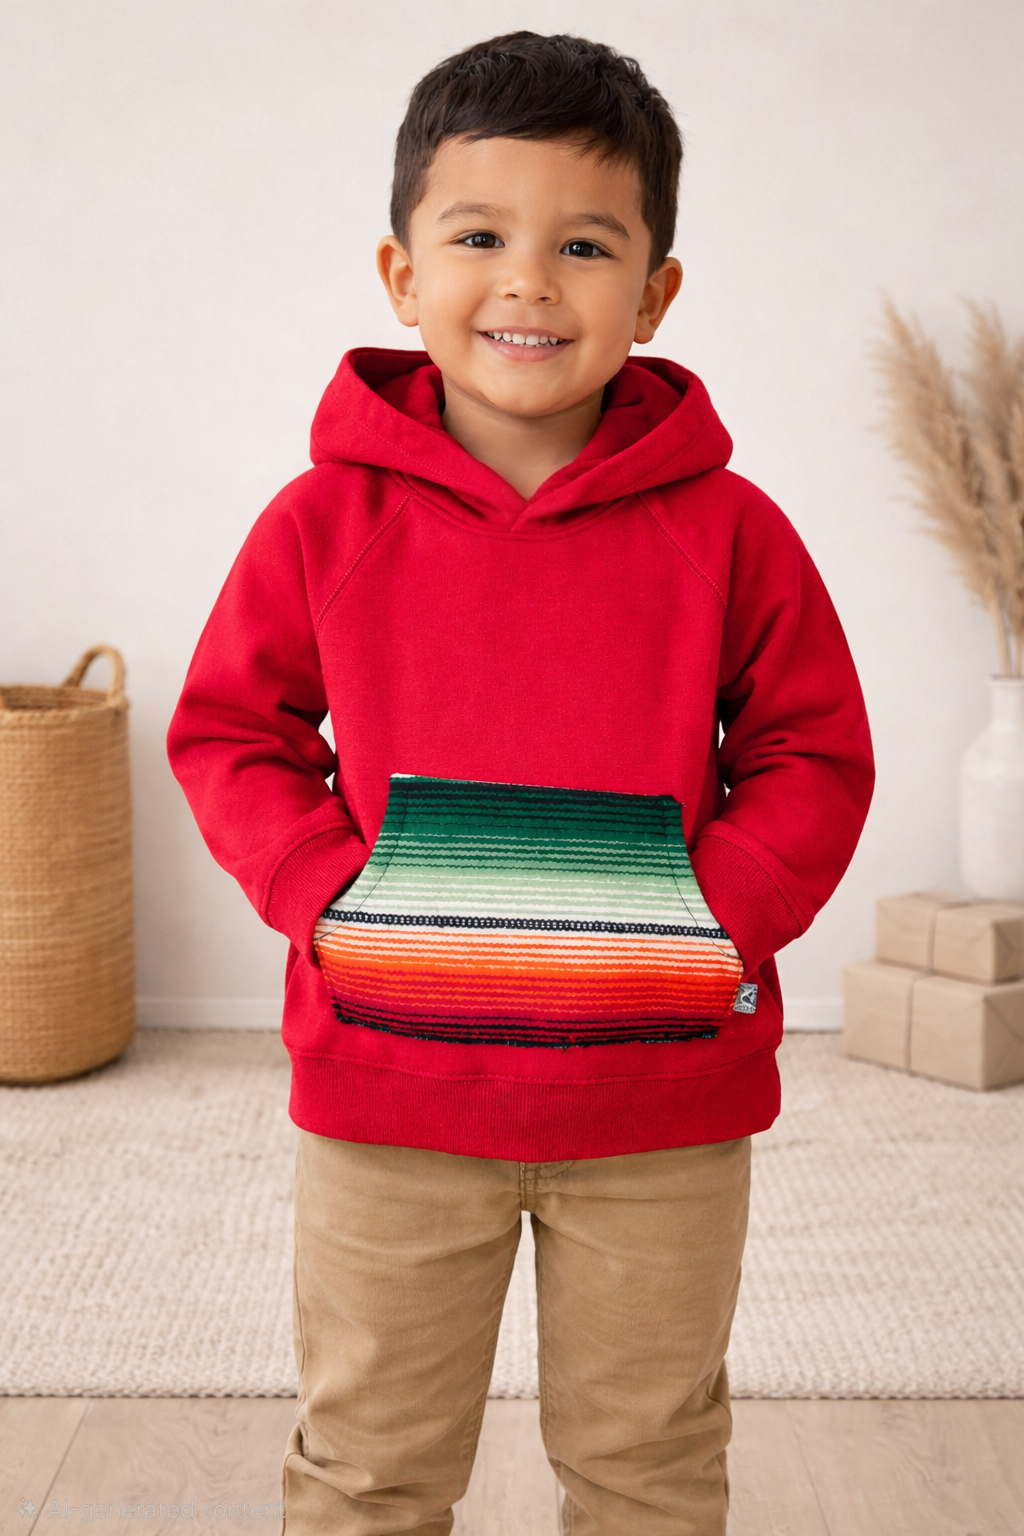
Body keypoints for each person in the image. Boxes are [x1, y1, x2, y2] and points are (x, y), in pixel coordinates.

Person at [167, 30, 873, 1536]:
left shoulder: (732, 532)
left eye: (585, 246)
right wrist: (332, 896)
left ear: (655, 293)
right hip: (391, 1090)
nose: (530, 284)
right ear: (402, 273)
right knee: (368, 1468)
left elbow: (811, 752)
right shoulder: (321, 522)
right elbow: (233, 732)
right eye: (480, 237)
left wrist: (709, 919)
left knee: (648, 1467)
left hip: (660, 1101)